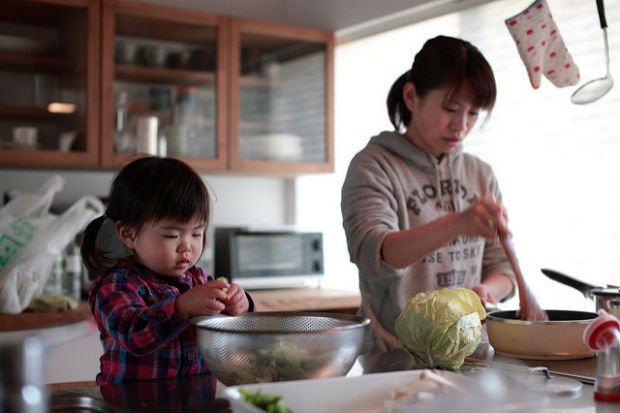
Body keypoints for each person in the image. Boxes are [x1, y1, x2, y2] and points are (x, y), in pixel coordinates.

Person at [341, 35, 516, 354]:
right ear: (411, 96)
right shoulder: (374, 165)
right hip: (392, 355)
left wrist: (486, 292)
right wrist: (456, 224)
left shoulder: (480, 173)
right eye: (451, 109)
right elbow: (374, 254)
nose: (461, 126)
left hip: (471, 354)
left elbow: (502, 267)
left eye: (473, 114)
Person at [81, 156, 252, 384]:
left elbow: (227, 328)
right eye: (172, 235)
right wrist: (181, 307)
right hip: (131, 403)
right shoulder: (116, 284)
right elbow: (132, 333)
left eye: (197, 233)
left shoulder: (199, 280)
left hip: (196, 397)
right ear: (128, 234)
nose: (187, 246)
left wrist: (241, 304)